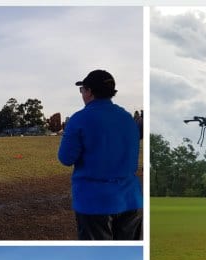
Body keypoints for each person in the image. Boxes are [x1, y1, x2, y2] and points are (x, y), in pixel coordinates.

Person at [58, 69, 143, 240]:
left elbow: (66, 158)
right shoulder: (127, 118)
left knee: (98, 252)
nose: (82, 94)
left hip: (94, 202)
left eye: (82, 90)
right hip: (130, 199)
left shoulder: (79, 119)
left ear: (89, 91)